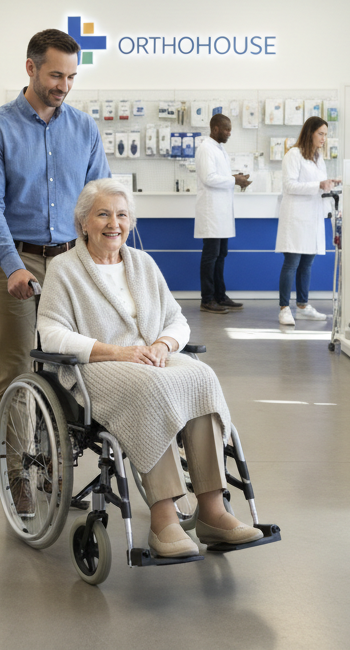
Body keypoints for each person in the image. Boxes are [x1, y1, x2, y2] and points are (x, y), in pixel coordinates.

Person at [38, 178, 262, 557]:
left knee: (200, 377)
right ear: (83, 223)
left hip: (150, 356)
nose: (114, 223)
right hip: (97, 364)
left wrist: (162, 345)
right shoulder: (65, 268)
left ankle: (212, 511)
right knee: (151, 388)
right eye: (103, 214)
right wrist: (115, 352)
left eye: (122, 215)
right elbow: (50, 333)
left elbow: (176, 320)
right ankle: (164, 520)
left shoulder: (142, 263)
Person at [0, 28, 110, 421]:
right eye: (56, 75)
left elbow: (100, 198)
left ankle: (57, 451)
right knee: (16, 369)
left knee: (70, 364)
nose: (64, 86)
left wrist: (104, 258)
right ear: (31, 68)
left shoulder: (84, 128)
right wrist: (12, 266)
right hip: (14, 261)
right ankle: (18, 462)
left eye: (71, 77)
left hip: (71, 262)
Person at [276, 116, 339, 326]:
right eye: (320, 134)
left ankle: (302, 306)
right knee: (292, 263)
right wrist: (319, 185)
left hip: (313, 217)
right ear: (309, 132)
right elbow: (290, 186)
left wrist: (330, 183)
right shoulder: (293, 155)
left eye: (325, 135)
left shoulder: (318, 158)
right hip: (296, 217)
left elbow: (318, 185)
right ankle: (284, 308)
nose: (323, 138)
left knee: (307, 264)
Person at [195, 114, 250, 314]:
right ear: (215, 128)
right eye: (226, 129)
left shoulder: (219, 149)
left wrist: (236, 177)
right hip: (211, 212)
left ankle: (220, 295)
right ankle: (207, 299)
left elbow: (220, 176)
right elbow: (209, 178)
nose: (229, 133)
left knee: (220, 255)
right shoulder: (205, 148)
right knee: (211, 256)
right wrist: (234, 180)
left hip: (221, 212)